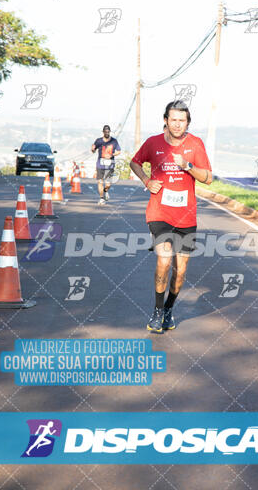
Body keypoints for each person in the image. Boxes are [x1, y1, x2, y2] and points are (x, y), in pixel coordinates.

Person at [130, 100, 212, 333]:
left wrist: (187, 166)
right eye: (173, 120)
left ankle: (168, 308)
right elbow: (135, 162)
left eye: (182, 120)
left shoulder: (195, 144)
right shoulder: (153, 143)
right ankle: (156, 312)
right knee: (164, 260)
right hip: (159, 212)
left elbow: (208, 177)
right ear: (165, 120)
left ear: (188, 122)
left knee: (181, 269)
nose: (177, 124)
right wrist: (147, 181)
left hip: (186, 217)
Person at [91, 125, 121, 205]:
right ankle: (101, 198)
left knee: (108, 184)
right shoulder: (98, 141)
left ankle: (105, 191)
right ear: (103, 132)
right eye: (105, 132)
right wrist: (92, 149)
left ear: (110, 132)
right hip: (100, 165)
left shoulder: (114, 141)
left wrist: (112, 155)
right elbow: (93, 151)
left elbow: (118, 151)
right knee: (100, 182)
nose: (107, 133)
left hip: (110, 165)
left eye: (108, 132)